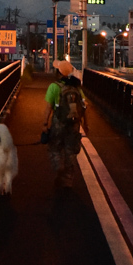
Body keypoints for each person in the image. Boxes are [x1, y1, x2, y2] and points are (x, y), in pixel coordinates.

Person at [42, 59, 87, 187]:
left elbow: (48, 107)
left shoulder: (54, 87)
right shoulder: (76, 87)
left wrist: (45, 124)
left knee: (54, 147)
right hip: (74, 124)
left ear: (58, 72)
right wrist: (86, 124)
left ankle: (58, 165)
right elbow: (84, 105)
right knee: (70, 151)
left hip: (59, 122)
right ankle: (68, 180)